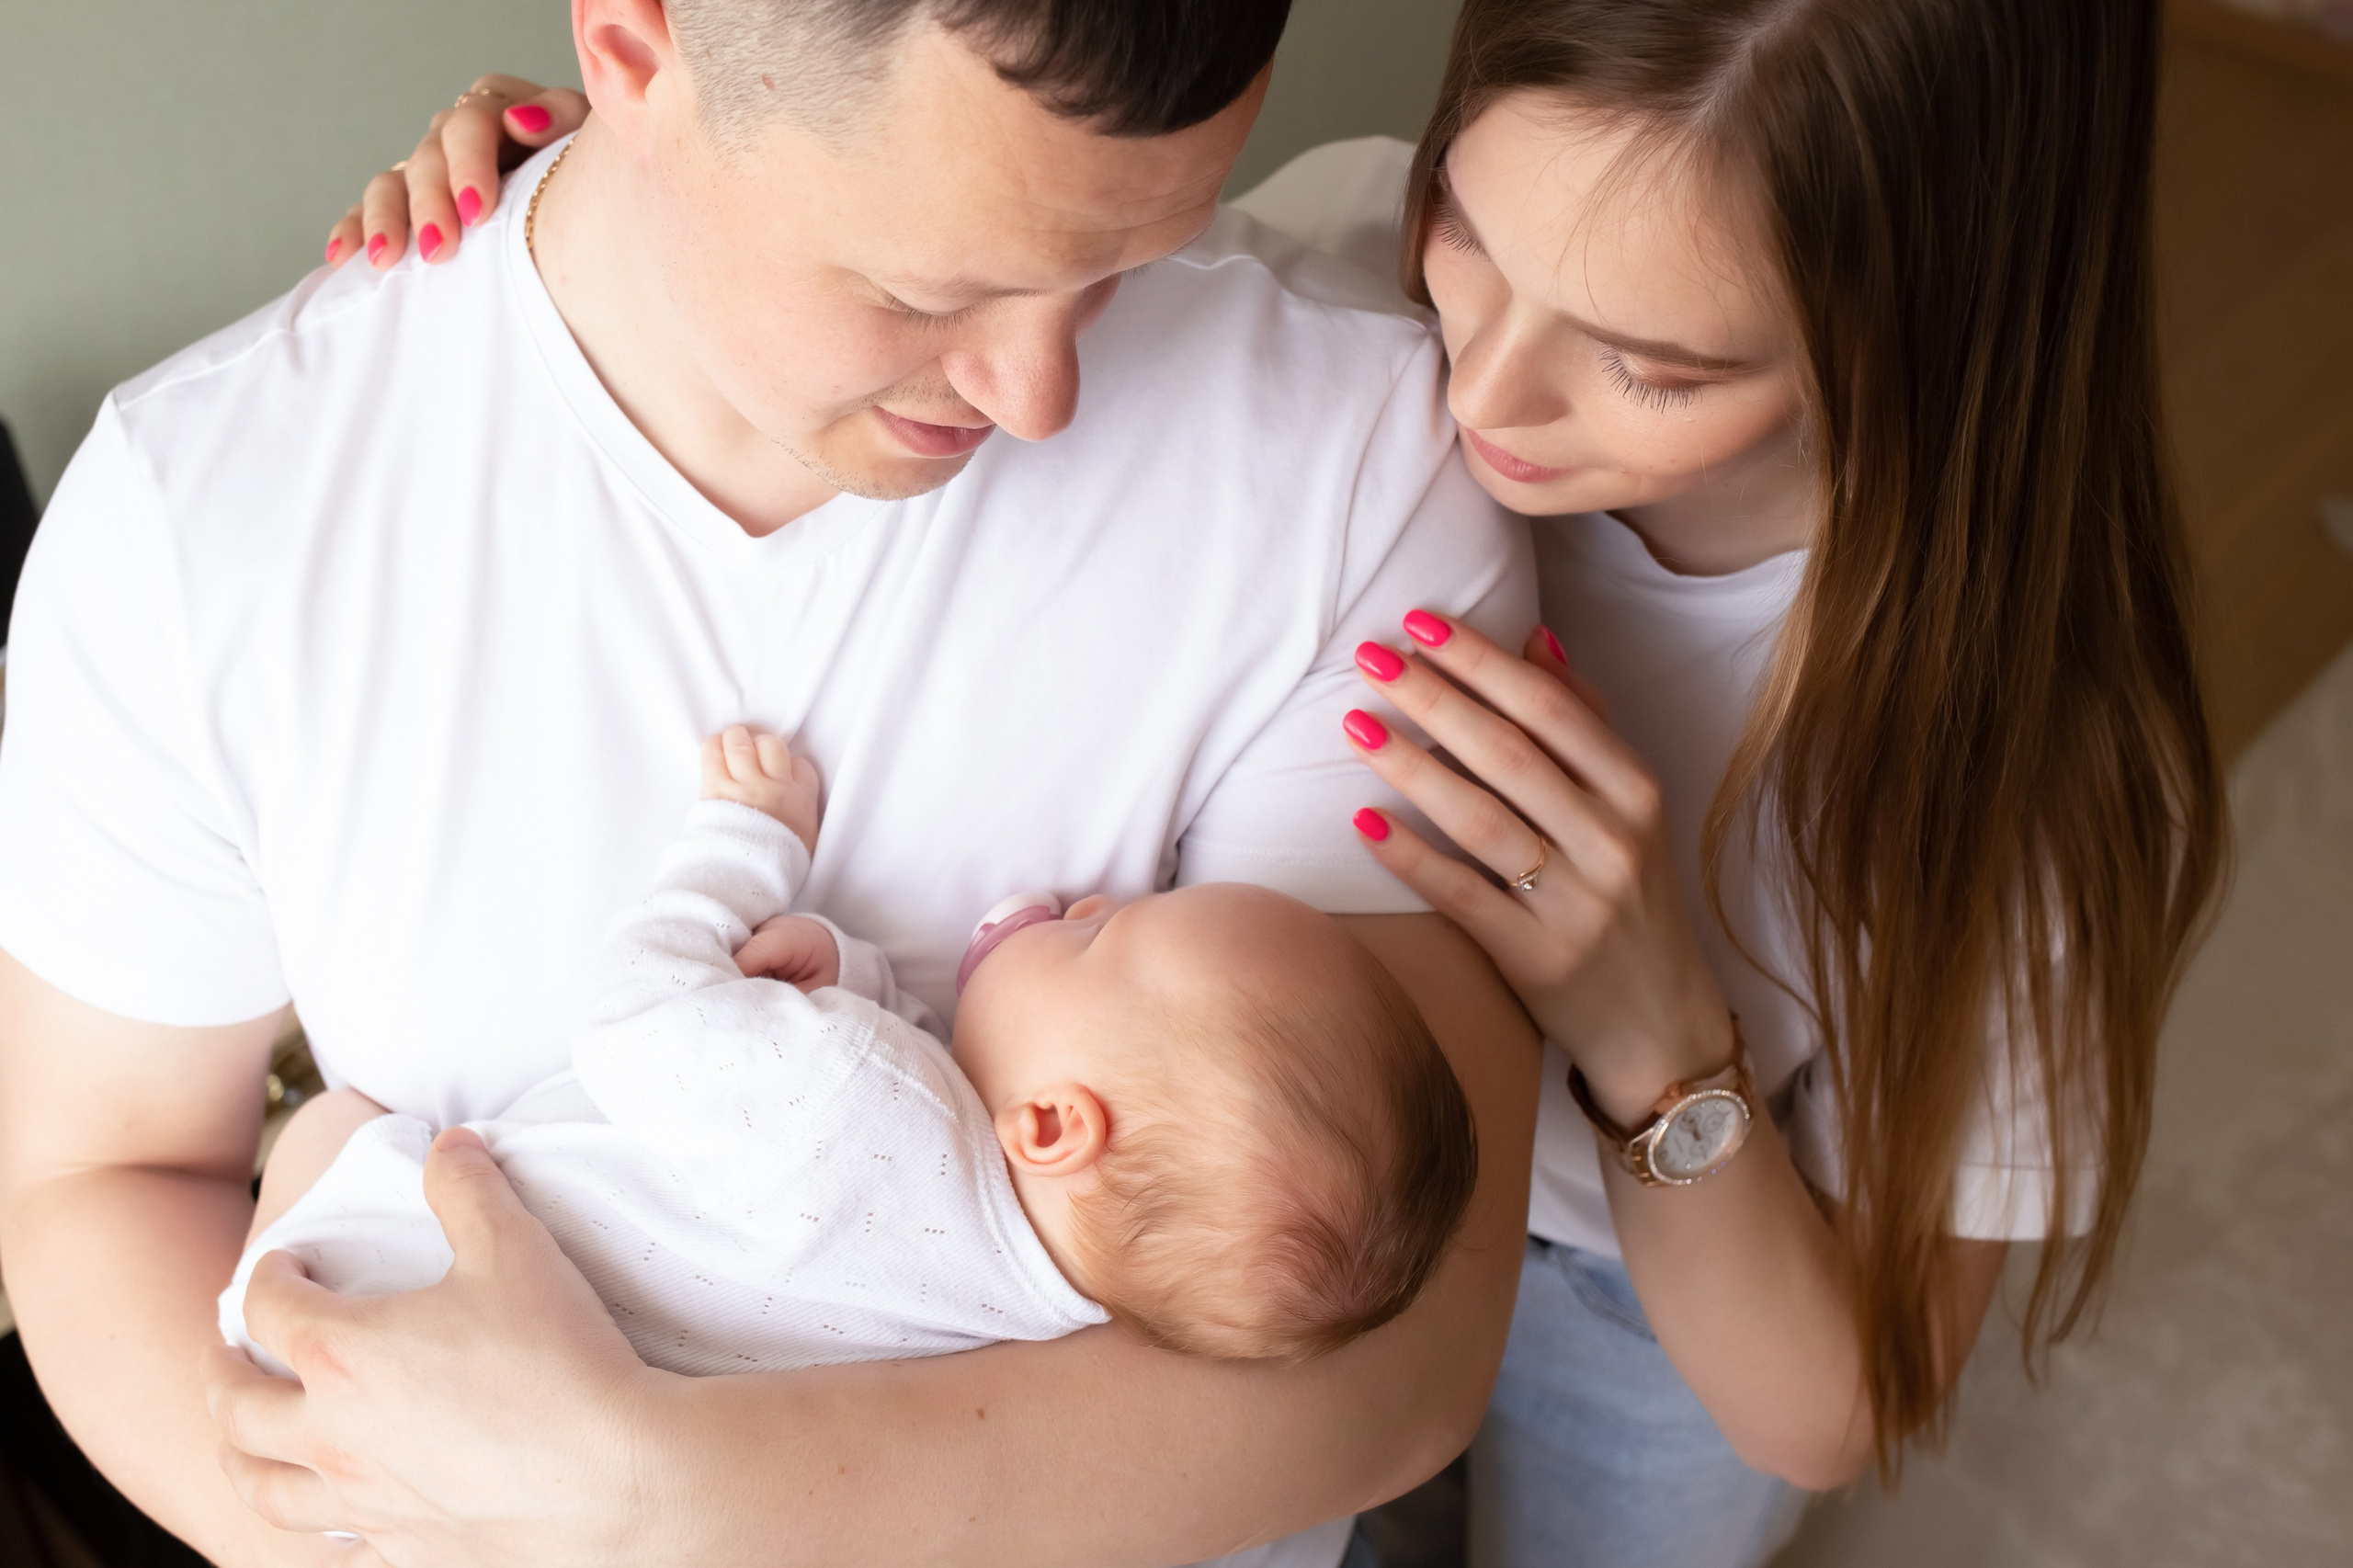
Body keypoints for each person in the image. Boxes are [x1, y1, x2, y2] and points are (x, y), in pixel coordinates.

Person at [0, 5, 1548, 1566]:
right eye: (924, 288)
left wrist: (666, 1495)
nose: (1041, 393)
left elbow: (1405, 1337)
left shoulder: (1350, 462)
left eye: (1124, 261)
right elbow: (102, 1177)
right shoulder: (199, 516)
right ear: (633, 44)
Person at [222, 724, 1477, 1377]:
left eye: (1100, 937)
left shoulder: (857, 1096)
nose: (1087, 895)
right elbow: (903, 1126)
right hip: (437, 1427)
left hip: (376, 1275)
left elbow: (636, 1018)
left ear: (1053, 1125)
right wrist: (847, 976)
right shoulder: (1030, 1308)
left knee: (338, 1120)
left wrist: (742, 841)